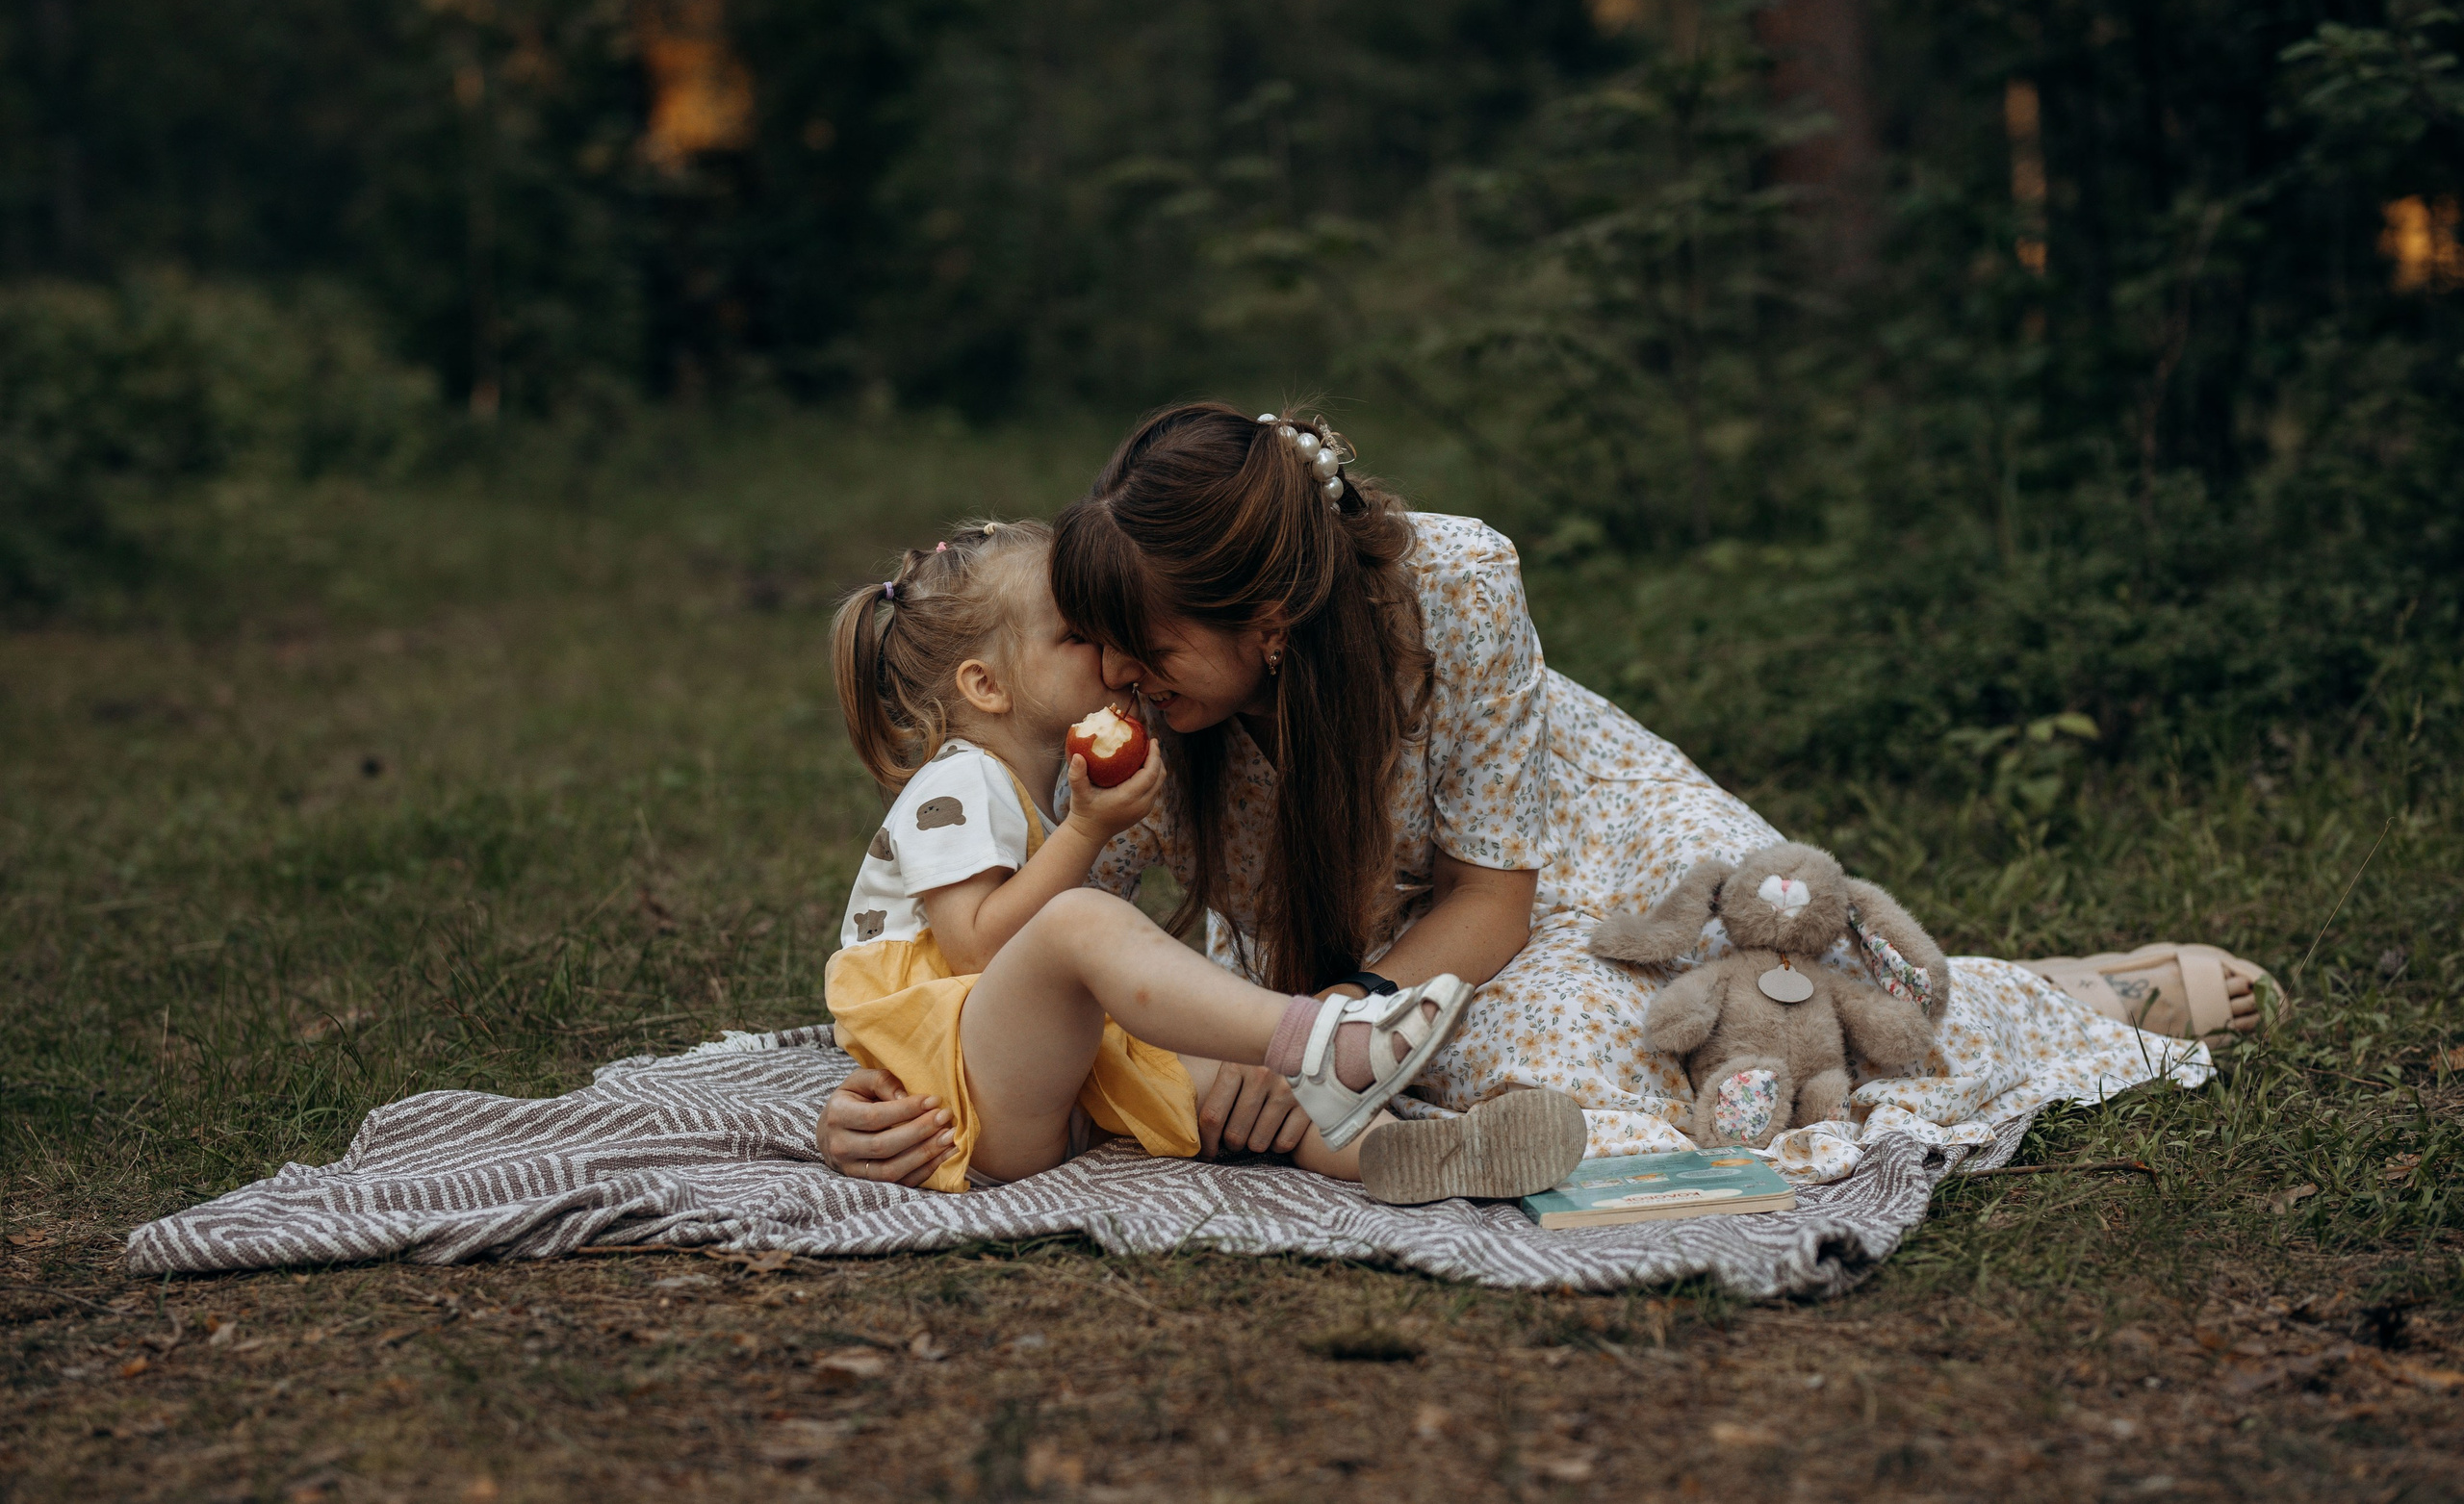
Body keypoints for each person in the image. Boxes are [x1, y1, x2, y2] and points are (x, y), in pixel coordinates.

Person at [821, 404, 2266, 1186]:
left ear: (1266, 609)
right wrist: (900, 1082)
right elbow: (1038, 940)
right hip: (1356, 958)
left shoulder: (1454, 583)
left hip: (1547, 869)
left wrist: (1346, 1033)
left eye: (1152, 647)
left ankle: (2079, 994)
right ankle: (1392, 1079)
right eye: (1107, 646)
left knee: (1752, 1014)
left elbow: (1494, 896)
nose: (1121, 678)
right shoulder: (1148, 692)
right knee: (1596, 1102)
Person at [820, 517, 1586, 1201]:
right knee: (1083, 922)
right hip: (965, 1097)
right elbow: (980, 947)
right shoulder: (954, 782)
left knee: (1250, 1084)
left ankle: (1413, 1151)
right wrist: (1086, 833)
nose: (1113, 654)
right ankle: (1323, 1039)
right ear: (985, 685)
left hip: (1026, 1080)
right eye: (1078, 635)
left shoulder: (1034, 784)